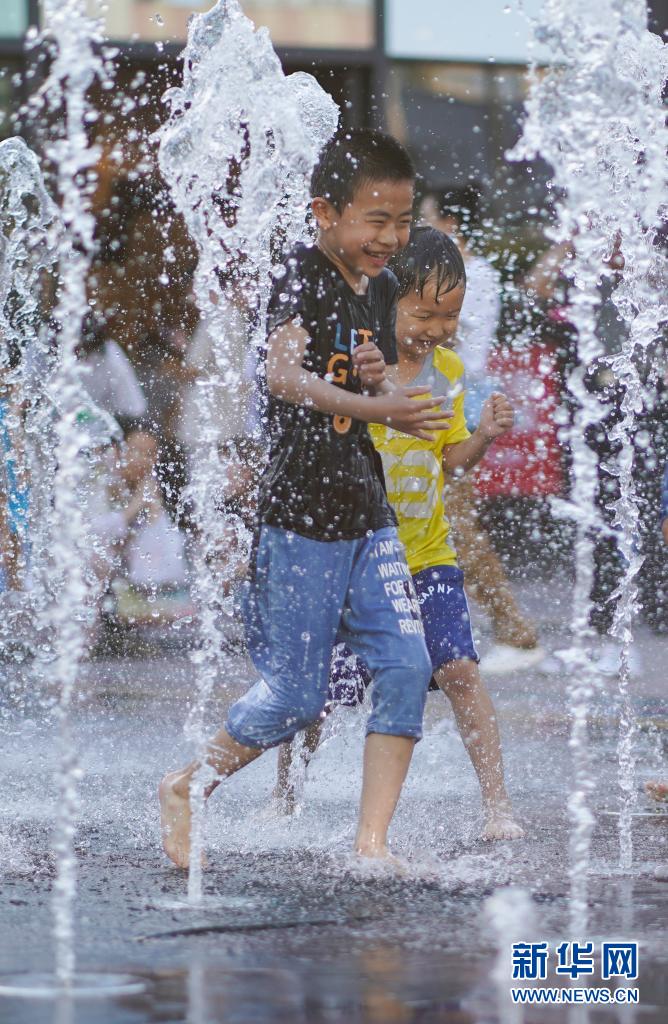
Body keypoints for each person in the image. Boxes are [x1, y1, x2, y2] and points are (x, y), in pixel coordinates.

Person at [159, 129, 452, 869]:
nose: (390, 238)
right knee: (297, 696)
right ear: (326, 212)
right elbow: (283, 378)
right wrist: (382, 407)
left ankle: (372, 843)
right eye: (375, 220)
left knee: (407, 666)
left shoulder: (378, 289)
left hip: (367, 512)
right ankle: (189, 786)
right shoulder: (299, 276)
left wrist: (381, 378)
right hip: (301, 518)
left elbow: (362, 375)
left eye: (402, 221)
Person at [276, 227, 524, 840]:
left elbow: (450, 461)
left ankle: (498, 807)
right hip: (359, 559)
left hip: (428, 556)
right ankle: (285, 796)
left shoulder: (449, 370)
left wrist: (483, 435)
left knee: (460, 670)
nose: (438, 328)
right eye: (424, 313)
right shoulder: (358, 365)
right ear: (387, 299)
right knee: (322, 693)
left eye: (451, 315)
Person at [420, 187, 544, 674]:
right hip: (435, 406)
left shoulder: (477, 276)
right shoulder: (451, 273)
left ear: (450, 224)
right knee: (439, 523)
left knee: (456, 526)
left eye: (427, 218)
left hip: (454, 409)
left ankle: (516, 632)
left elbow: (453, 343)